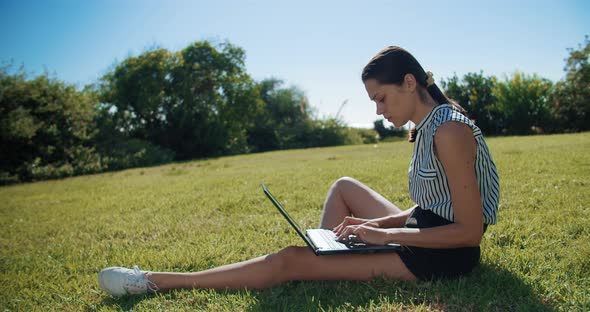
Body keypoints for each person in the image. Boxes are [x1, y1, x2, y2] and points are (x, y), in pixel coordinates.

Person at [98, 46, 500, 297]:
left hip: (446, 257)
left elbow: (468, 232)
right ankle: (327, 257)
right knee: (343, 187)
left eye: (380, 98)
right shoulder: (428, 125)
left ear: (409, 83)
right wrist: (373, 224)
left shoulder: (448, 130)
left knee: (289, 260)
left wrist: (382, 233)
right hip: (428, 231)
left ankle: (153, 280)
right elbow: (432, 205)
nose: (378, 109)